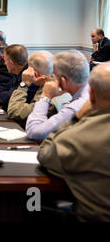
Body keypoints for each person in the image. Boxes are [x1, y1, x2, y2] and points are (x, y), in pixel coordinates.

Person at [38, 63, 110, 221]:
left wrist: (76, 119)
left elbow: (45, 154)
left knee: (31, 202)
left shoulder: (79, 138)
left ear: (91, 95)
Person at [26, 50, 90, 141]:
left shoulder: (75, 107)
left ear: (63, 81)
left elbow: (33, 131)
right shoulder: (90, 92)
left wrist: (45, 96)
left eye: (55, 76)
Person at [7, 51, 58, 127]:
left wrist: (24, 84)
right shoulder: (49, 84)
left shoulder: (51, 93)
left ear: (35, 73)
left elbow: (14, 111)